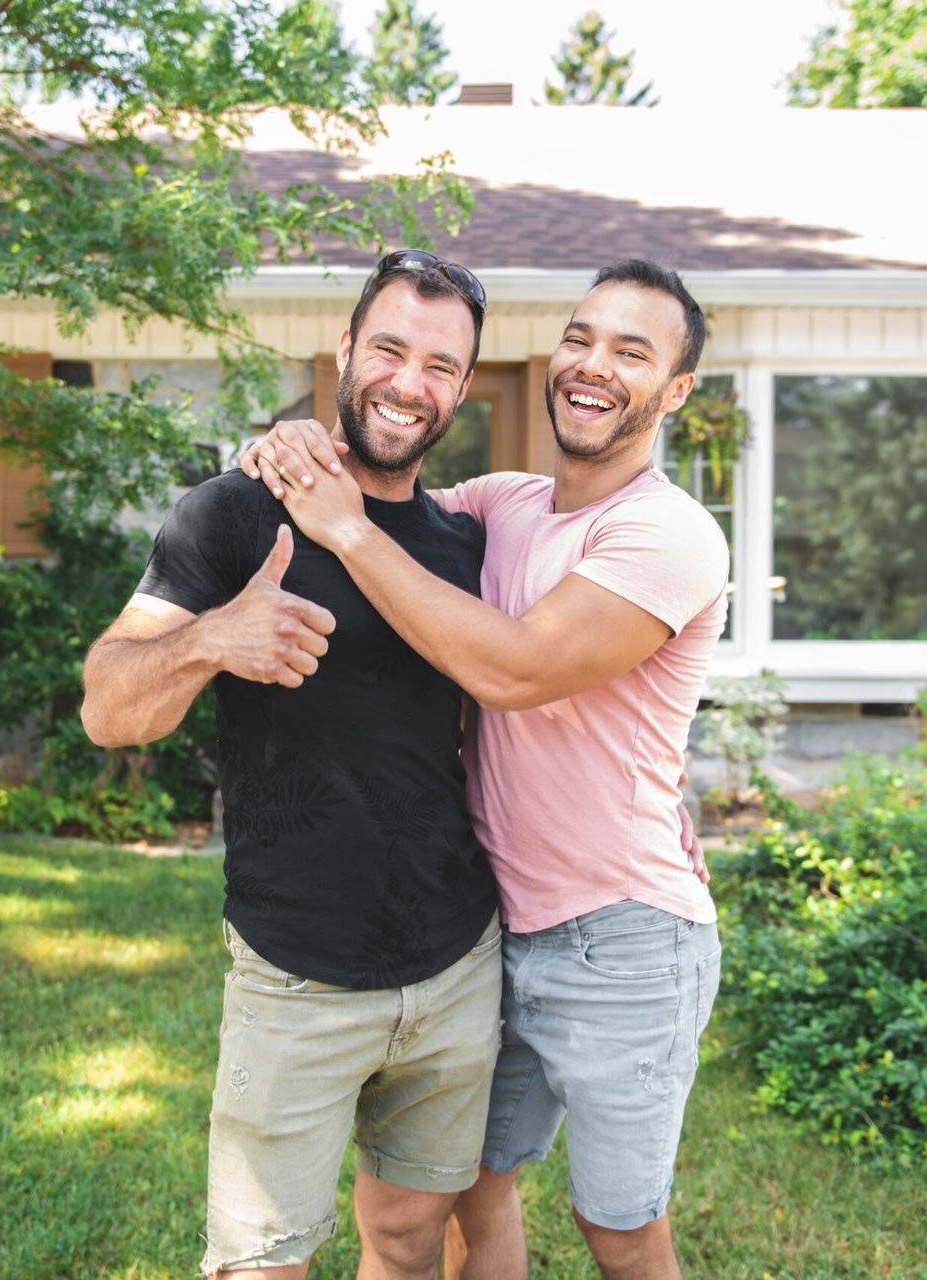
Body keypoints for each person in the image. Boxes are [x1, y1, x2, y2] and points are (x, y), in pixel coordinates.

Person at [241, 259, 730, 1280]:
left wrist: (341, 526)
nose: (593, 366)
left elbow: (513, 669)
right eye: (582, 338)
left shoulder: (668, 533)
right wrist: (301, 439)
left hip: (624, 934)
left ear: (675, 391)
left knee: (621, 1228)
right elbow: (388, 476)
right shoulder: (504, 503)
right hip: (492, 927)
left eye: (632, 353)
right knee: (472, 1184)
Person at [81, 250, 504, 1280]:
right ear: (346, 351)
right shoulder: (235, 511)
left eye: (441, 365)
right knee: (260, 1262)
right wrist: (212, 637)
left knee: (407, 1238)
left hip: (454, 962)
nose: (410, 382)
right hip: (294, 971)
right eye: (391, 348)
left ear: (461, 389)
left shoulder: (463, 543)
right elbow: (105, 703)